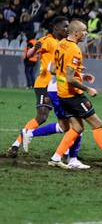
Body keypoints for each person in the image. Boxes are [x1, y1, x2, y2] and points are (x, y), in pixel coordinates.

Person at [48, 20, 102, 169]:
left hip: (62, 95)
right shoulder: (74, 49)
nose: (86, 33)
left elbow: (53, 69)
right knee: (97, 124)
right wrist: (88, 89)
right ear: (76, 33)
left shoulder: (61, 44)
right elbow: (69, 78)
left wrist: (79, 73)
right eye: (84, 30)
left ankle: (55, 158)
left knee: (77, 129)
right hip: (74, 96)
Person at [6, 16, 68, 158]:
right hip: (44, 85)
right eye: (64, 26)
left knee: (68, 119)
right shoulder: (47, 40)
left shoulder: (65, 43)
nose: (67, 29)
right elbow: (28, 54)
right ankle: (16, 144)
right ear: (56, 28)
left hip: (59, 86)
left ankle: (67, 150)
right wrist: (34, 50)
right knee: (42, 116)